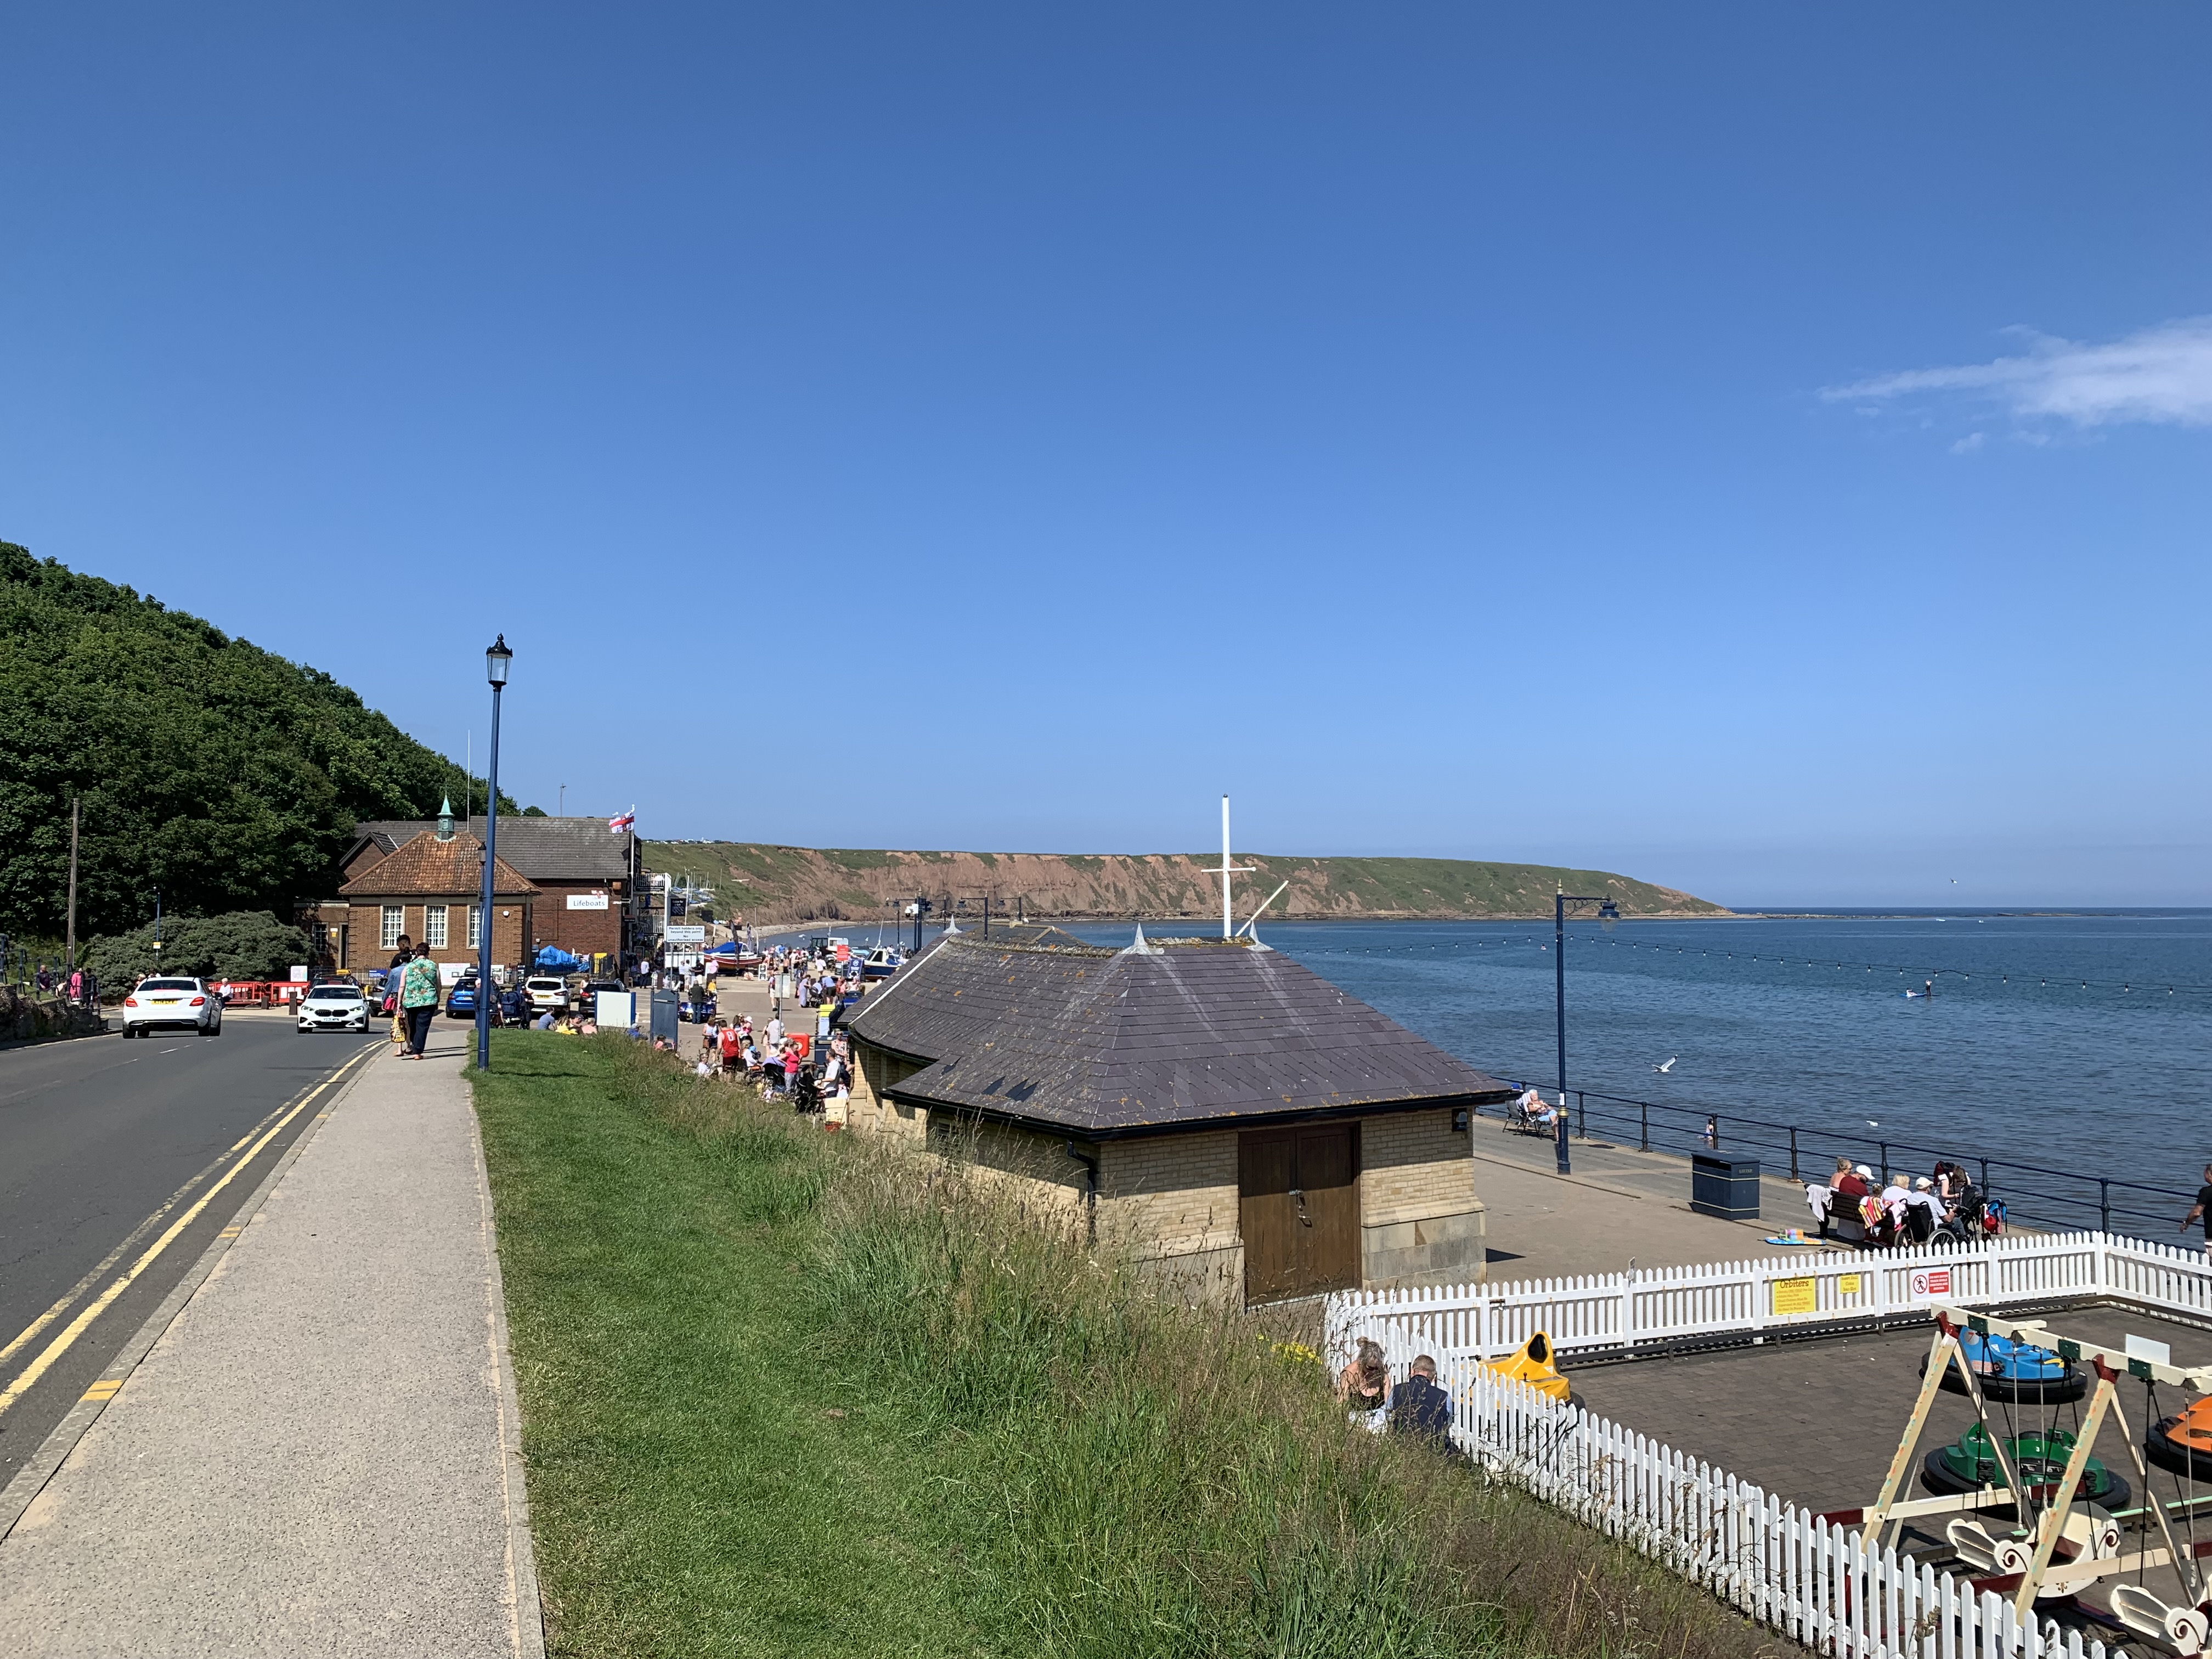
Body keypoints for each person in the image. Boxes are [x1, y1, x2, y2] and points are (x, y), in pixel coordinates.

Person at [1390, 1355, 1454, 1444]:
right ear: (1434, 1378)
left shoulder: (1396, 1390)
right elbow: (1448, 1423)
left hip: (1400, 1444)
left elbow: (1388, 1418)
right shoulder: (1444, 1397)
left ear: (1412, 1371)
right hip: (1433, 1447)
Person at [397, 948, 441, 1058]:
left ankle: (414, 1046)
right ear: (428, 953)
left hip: (410, 1001)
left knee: (412, 1025)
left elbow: (402, 986)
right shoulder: (433, 965)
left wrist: (399, 1003)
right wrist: (438, 997)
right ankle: (417, 1051)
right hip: (428, 1000)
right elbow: (439, 984)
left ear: (416, 953)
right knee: (422, 1026)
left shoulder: (408, 967)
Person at [1336, 1339, 1389, 1428]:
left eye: (1377, 1368)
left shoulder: (1381, 1373)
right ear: (1361, 1362)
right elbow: (1341, 1405)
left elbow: (1389, 1400)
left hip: (1379, 1420)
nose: (1374, 1372)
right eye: (1370, 1368)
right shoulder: (1350, 1374)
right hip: (1356, 1421)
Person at [2181, 1163, 2212, 1252]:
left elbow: (2197, 1213)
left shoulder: (2206, 1192)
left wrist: (2186, 1223)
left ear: (2209, 1174)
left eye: (2204, 1173)